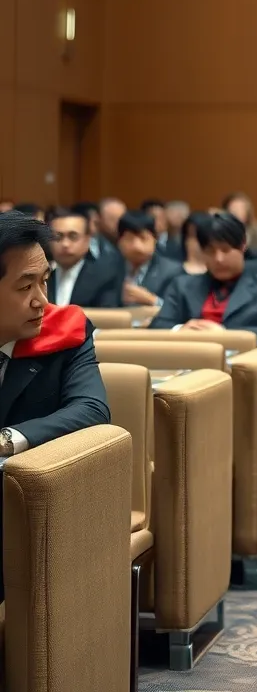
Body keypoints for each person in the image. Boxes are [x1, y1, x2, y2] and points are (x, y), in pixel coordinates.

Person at [0, 211, 111, 600]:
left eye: (44, 281)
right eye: (25, 286)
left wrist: (7, 439)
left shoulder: (66, 333)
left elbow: (92, 409)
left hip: (31, 504)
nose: (41, 301)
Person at [150, 212, 257, 350]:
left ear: (243, 246)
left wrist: (225, 333)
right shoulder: (182, 285)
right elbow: (157, 325)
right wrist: (180, 329)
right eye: (210, 251)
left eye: (226, 250)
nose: (219, 259)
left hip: (239, 364)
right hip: (188, 361)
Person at [47, 208, 122, 308]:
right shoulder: (42, 278)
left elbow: (106, 318)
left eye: (73, 236)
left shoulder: (105, 277)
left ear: (87, 241)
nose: (65, 244)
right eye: (57, 237)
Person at [117, 209, 183, 307]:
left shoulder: (173, 271)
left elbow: (179, 311)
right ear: (119, 241)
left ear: (155, 239)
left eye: (143, 238)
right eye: (129, 238)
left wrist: (152, 300)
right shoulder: (108, 269)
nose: (136, 246)